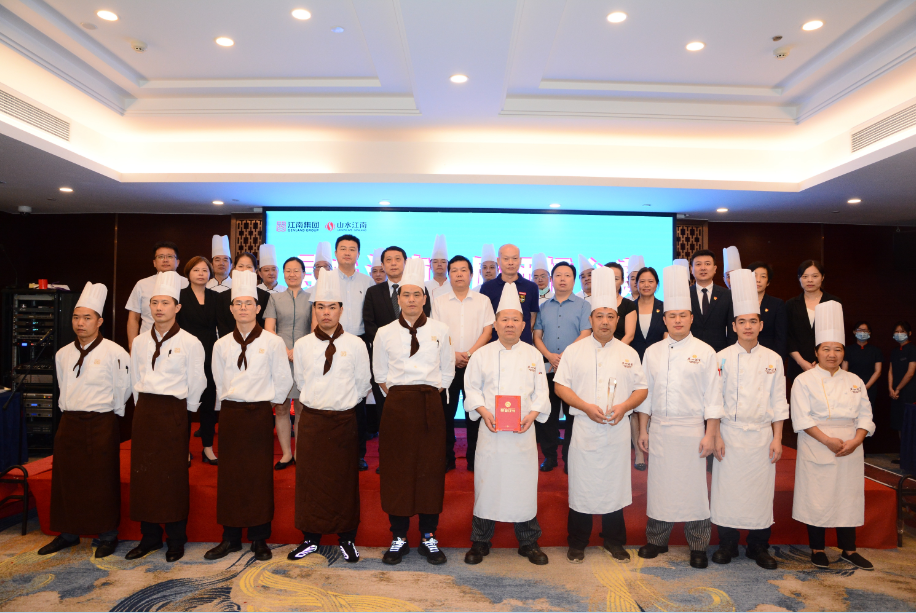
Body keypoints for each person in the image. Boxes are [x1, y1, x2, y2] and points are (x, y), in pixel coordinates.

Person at [554, 266, 648, 563]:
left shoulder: (628, 353)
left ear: (617, 320)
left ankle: (614, 541)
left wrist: (624, 407)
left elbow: (642, 389)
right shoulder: (574, 351)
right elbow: (560, 386)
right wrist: (585, 406)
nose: (605, 321)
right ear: (591, 319)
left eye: (610, 316)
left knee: (614, 486)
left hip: (616, 429)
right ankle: (577, 542)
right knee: (581, 486)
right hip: (584, 427)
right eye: (599, 316)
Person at [636, 264, 722, 569]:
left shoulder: (706, 351)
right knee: (659, 488)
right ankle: (656, 540)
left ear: (691, 318)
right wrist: (643, 430)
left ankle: (698, 545)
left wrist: (711, 434)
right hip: (660, 429)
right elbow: (645, 395)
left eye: (682, 315)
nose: (677, 320)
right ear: (664, 319)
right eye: (672, 316)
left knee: (694, 491)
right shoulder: (653, 352)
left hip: (692, 431)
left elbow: (714, 398)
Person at [38, 282, 130, 559]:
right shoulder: (63, 353)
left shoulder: (115, 352)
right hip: (70, 421)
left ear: (99, 321)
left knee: (101, 480)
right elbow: (63, 386)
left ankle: (107, 535)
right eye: (76, 317)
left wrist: (111, 413)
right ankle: (68, 533)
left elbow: (124, 388)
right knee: (67, 478)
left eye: (87, 317)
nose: (80, 323)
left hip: (101, 421)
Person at [205, 270, 292, 562]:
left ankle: (259, 537)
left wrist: (269, 404)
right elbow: (218, 380)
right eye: (238, 303)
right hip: (231, 414)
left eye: (248, 303)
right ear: (231, 309)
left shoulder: (272, 342)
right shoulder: (221, 344)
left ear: (258, 308)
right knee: (230, 476)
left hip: (258, 414)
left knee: (258, 476)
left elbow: (283, 380)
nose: (243, 308)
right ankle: (230, 537)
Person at [372, 258, 455, 565]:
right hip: (397, 406)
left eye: (416, 294)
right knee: (397, 471)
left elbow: (447, 371)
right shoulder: (384, 332)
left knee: (430, 470)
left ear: (424, 298)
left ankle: (429, 536)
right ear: (398, 298)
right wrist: (401, 398)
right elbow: (380, 374)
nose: (410, 299)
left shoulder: (440, 329)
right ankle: (399, 536)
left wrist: (429, 395)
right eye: (405, 294)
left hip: (430, 404)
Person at [462, 283, 550, 566]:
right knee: (487, 485)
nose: (510, 324)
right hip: (492, 433)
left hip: (523, 433)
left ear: (524, 325)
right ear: (496, 324)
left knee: (523, 486)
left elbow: (542, 392)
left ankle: (528, 542)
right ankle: (480, 541)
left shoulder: (533, 355)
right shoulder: (482, 354)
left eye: (515, 319)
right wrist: (483, 411)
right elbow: (471, 388)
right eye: (504, 319)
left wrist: (533, 414)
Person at [290, 268, 371, 563]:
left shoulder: (355, 344)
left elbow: (363, 384)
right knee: (309, 480)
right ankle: (310, 538)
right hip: (312, 421)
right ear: (314, 310)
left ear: (341, 310)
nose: (326, 312)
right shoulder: (303, 345)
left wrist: (341, 405)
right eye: (321, 307)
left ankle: (346, 538)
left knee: (344, 481)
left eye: (332, 307)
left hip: (344, 422)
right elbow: (301, 381)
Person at [709, 269, 788, 570]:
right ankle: (727, 544)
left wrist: (778, 438)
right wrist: (716, 435)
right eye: (742, 322)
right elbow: (715, 401)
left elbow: (778, 402)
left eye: (753, 321)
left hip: (761, 436)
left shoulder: (773, 359)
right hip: (729, 434)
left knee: (760, 492)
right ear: (734, 326)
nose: (747, 326)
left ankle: (758, 546)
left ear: (761, 325)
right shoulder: (721, 357)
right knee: (727, 491)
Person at [127, 271, 207, 562]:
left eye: (165, 303)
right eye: (154, 302)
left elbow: (197, 381)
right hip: (146, 411)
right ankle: (149, 537)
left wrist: (184, 413)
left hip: (174, 411)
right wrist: (141, 408)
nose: (159, 308)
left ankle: (175, 538)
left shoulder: (190, 342)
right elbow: (134, 377)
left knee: (173, 477)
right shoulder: (139, 342)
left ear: (177, 307)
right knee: (144, 475)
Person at [791, 300, 875, 571]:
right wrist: (827, 440)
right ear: (816, 351)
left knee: (848, 497)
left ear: (843, 352)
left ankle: (849, 550)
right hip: (817, 443)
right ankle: (817, 549)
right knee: (817, 497)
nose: (832, 354)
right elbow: (802, 418)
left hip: (850, 445)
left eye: (837, 349)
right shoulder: (804, 380)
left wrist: (857, 440)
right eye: (826, 349)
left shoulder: (854, 380)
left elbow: (866, 415)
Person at [363, 246, 433, 471]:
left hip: (416, 359)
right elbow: (369, 324)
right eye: (388, 260)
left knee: (414, 415)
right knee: (386, 415)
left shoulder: (419, 290)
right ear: (382, 265)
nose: (393, 263)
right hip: (385, 361)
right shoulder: (373, 292)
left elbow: (427, 319)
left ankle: (414, 459)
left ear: (405, 262)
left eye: (397, 259)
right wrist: (391, 346)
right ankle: (388, 460)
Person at [431, 255, 495, 471]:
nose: (459, 274)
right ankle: (446, 458)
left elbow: (488, 331)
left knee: (475, 413)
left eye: (463, 270)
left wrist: (468, 353)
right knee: (445, 415)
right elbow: (436, 334)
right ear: (449, 274)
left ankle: (474, 459)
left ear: (471, 274)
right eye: (455, 270)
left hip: (475, 365)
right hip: (446, 366)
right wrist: (454, 355)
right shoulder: (439, 302)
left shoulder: (483, 301)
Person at [532, 261, 591, 473]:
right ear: (552, 279)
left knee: (573, 415)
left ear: (574, 280)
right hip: (548, 367)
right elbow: (537, 336)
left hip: (573, 369)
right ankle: (550, 456)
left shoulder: (584, 306)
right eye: (558, 275)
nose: (562, 279)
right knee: (548, 415)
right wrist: (549, 355)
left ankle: (569, 457)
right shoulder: (543, 307)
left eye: (567, 275)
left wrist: (564, 357)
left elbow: (586, 333)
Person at [264, 256, 312, 469]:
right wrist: (284, 350)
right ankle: (285, 454)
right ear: (283, 274)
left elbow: (314, 330)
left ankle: (300, 453)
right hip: (279, 358)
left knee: (301, 407)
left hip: (304, 358)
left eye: (296, 270)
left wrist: (297, 350)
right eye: (288, 271)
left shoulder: (311, 298)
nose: (292, 274)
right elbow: (269, 329)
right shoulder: (274, 298)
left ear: (303, 273)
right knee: (281, 407)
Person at [332, 234, 374, 470]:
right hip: (331, 342)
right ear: (336, 253)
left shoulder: (367, 282)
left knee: (358, 399)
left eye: (352, 249)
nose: (347, 252)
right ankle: (335, 451)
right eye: (343, 248)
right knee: (332, 395)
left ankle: (358, 453)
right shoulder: (326, 280)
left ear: (358, 254)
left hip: (359, 343)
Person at [177, 256, 220, 464]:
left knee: (209, 402)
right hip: (186, 353)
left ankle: (208, 448)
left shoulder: (216, 297)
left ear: (210, 273)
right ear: (188, 273)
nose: (201, 274)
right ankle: (183, 449)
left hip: (211, 352)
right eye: (196, 270)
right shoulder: (179, 296)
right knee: (184, 403)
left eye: (204, 270)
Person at [630, 266, 666, 471]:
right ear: (636, 284)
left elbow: (667, 335)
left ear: (657, 284)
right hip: (634, 363)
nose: (646, 285)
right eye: (642, 281)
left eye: (650, 281)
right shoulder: (629, 307)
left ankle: (653, 446)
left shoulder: (664, 307)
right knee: (636, 409)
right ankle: (638, 452)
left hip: (656, 363)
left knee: (654, 406)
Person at [125, 241, 189, 350]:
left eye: (170, 256)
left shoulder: (187, 283)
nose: (165, 260)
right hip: (146, 343)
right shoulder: (142, 284)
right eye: (160, 257)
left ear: (178, 262)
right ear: (154, 262)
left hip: (180, 344)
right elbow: (133, 318)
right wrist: (132, 345)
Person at [786, 260, 841, 383]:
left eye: (815, 276)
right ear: (799, 278)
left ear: (822, 277)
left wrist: (822, 361)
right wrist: (801, 362)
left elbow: (837, 336)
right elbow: (788, 336)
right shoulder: (791, 304)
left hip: (827, 364)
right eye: (805, 276)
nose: (810, 280)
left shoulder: (833, 302)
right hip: (798, 365)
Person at [479, 244, 539, 344]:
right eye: (506, 259)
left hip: (523, 344)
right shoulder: (487, 287)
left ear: (520, 261)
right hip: (494, 344)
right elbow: (484, 319)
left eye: (514, 258)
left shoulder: (531, 287)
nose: (510, 263)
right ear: (498, 261)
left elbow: (532, 317)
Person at [688, 249, 735, 353]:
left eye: (707, 264)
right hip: (690, 351)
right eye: (698, 264)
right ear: (691, 269)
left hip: (719, 352)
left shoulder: (727, 295)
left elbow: (732, 329)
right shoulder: (685, 295)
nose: (703, 268)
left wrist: (730, 352)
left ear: (715, 269)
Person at [747, 261, 787, 358]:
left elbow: (781, 337)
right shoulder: (737, 302)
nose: (758, 280)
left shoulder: (777, 304)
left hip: (768, 356)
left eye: (763, 276)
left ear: (768, 282)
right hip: (743, 354)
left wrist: (777, 359)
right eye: (755, 276)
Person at [841, 321, 882, 411]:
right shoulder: (847, 350)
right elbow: (844, 370)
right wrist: (853, 387)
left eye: (865, 330)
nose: (862, 332)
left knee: (868, 412)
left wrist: (865, 387)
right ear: (854, 332)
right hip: (851, 387)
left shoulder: (876, 351)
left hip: (869, 388)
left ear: (869, 332)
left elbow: (878, 371)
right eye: (859, 330)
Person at [889, 321, 916, 446]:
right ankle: (903, 452)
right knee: (899, 422)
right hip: (895, 393)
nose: (899, 334)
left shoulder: (912, 349)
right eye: (897, 332)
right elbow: (890, 371)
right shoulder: (894, 351)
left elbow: (910, 373)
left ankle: (911, 453)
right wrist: (891, 388)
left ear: (909, 333)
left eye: (902, 331)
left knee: (910, 423)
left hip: (909, 391)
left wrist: (898, 388)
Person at [605, 262, 636, 344]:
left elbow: (629, 335)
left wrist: (615, 350)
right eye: (608, 278)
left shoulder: (628, 305)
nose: (611, 282)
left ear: (622, 281)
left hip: (621, 349)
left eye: (616, 279)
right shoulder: (592, 303)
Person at [426, 234, 451, 300]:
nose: (439, 264)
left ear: (448, 266)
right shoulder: (424, 286)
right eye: (435, 262)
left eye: (443, 262)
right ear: (430, 266)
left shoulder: (454, 286)